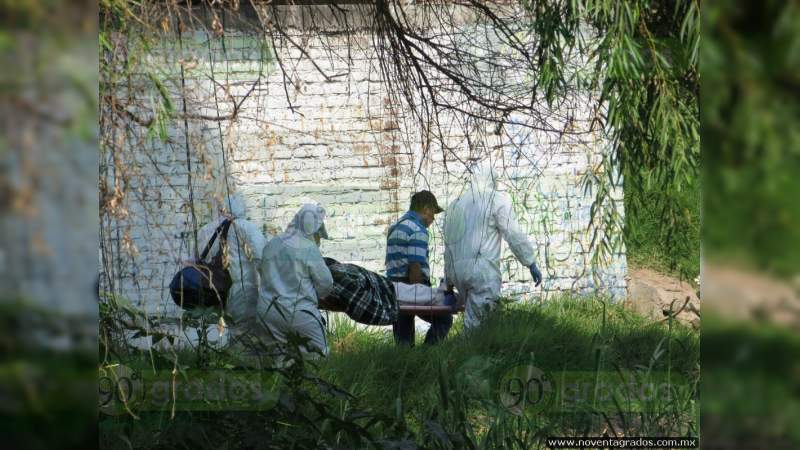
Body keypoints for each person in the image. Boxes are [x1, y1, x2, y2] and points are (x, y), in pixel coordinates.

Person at [443, 161, 544, 329]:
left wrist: (448, 283)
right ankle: (468, 353)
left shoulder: (455, 205)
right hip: (481, 272)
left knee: (474, 318)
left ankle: (467, 351)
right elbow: (513, 234)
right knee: (479, 326)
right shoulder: (495, 200)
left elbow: (449, 246)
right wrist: (530, 262)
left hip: (457, 273)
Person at [256, 202, 334, 358]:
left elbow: (262, 271)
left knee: (278, 362)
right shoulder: (308, 248)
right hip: (299, 313)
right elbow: (326, 284)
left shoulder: (273, 243)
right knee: (318, 357)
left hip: (267, 312)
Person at [195, 193, 267, 342]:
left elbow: (197, 260)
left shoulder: (205, 230)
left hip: (212, 290)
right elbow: (262, 257)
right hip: (241, 288)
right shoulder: (245, 227)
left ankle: (224, 359)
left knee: (220, 332)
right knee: (244, 333)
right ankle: (243, 363)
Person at [385, 190, 453, 345]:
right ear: (426, 208)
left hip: (393, 289)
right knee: (444, 319)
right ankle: (427, 356)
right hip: (411, 286)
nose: (433, 218)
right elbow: (415, 267)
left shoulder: (396, 227)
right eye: (433, 213)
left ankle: (405, 366)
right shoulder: (418, 229)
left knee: (403, 340)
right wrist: (424, 293)